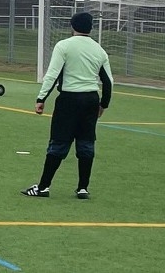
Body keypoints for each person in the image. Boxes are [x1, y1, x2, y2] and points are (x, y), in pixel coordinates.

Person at [23, 12, 112, 200]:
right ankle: (83, 188)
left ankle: (43, 187)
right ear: (91, 28)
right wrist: (103, 104)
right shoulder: (99, 50)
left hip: (69, 100)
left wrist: (41, 98)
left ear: (72, 26)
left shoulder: (63, 46)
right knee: (86, 143)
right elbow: (108, 81)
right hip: (91, 99)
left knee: (59, 142)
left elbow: (52, 74)